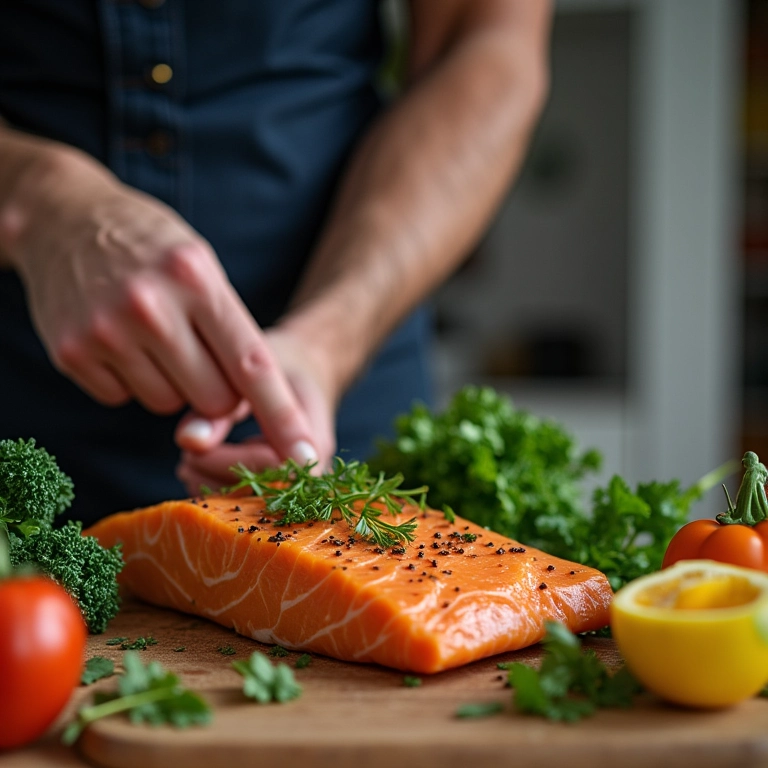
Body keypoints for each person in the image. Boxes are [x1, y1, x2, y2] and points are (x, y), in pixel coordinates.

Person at [0, 0, 551, 525]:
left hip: (342, 379)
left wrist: (329, 339)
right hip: (20, 399)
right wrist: (38, 200)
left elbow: (485, 43)